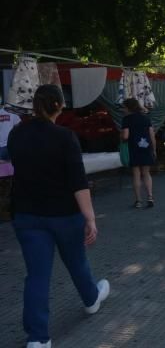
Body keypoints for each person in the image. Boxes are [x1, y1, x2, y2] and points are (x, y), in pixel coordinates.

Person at [8, 85, 110, 348]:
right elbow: (78, 182)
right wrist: (91, 218)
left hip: (27, 215)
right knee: (77, 262)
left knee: (37, 276)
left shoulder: (17, 134)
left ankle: (38, 339)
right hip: (64, 215)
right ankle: (90, 300)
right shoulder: (65, 137)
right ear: (59, 106)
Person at [121, 98, 157, 208]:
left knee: (136, 174)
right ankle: (150, 197)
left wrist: (121, 136)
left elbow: (125, 136)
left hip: (134, 149)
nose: (122, 109)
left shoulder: (126, 120)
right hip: (146, 147)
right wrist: (154, 150)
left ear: (128, 108)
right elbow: (152, 136)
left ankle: (138, 201)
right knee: (146, 173)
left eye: (124, 107)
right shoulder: (146, 118)